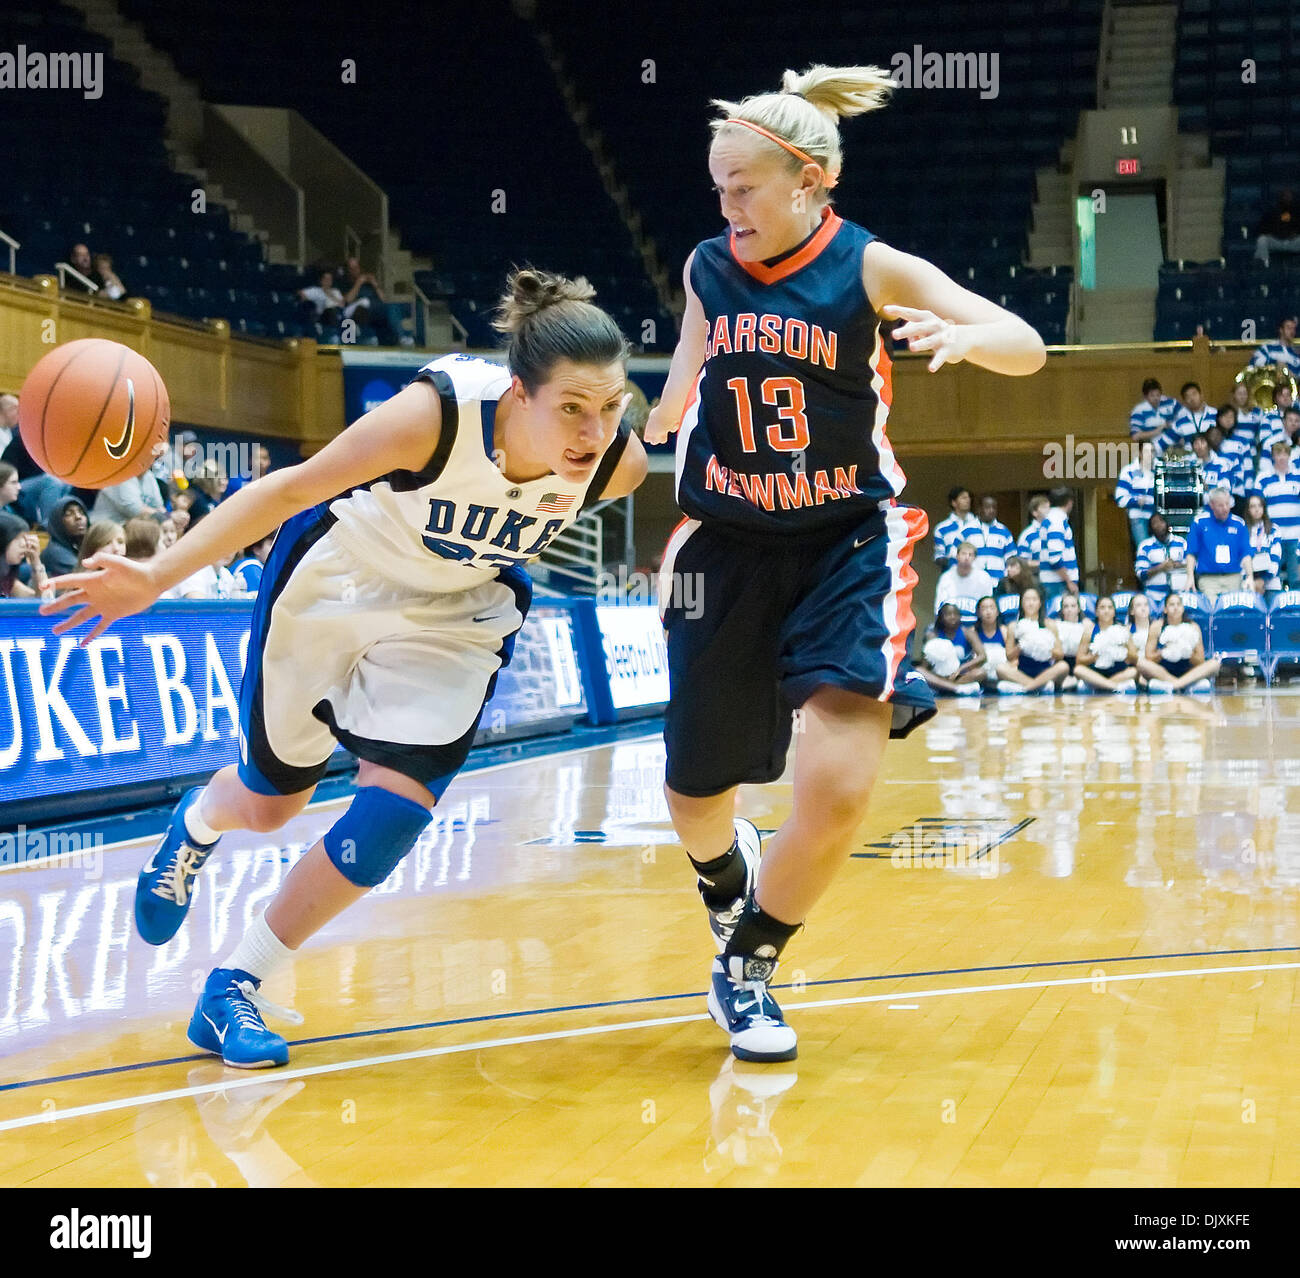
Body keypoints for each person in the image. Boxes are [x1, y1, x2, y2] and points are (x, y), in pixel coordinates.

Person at [43, 267, 647, 1068]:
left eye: (611, 409)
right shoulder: (432, 418)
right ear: (517, 393)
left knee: (394, 814)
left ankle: (236, 985)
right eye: (571, 409)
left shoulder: (619, 466)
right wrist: (158, 575)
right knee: (271, 806)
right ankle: (196, 824)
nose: (593, 432)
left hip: (454, 612)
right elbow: (285, 490)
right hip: (341, 576)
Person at [643, 62, 1045, 1062]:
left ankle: (749, 963)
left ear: (810, 182)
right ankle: (723, 880)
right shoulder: (705, 268)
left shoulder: (868, 266)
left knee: (838, 779)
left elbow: (1026, 343)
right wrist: (621, 440)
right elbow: (679, 387)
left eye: (743, 186)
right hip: (723, 543)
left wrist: (966, 335)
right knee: (694, 794)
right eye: (716, 187)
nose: (725, 204)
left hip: (845, 545)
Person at [1138, 592, 1220, 692]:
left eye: (1178, 604)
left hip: (1188, 671)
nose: (1176, 608)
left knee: (1214, 663)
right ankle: (1178, 684)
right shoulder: (1156, 626)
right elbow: (1149, 657)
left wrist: (1186, 652)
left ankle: (1177, 684)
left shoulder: (1193, 627)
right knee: (1141, 663)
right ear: (1165, 609)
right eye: (1172, 605)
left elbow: (1200, 660)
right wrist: (1165, 652)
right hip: (1163, 671)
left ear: (1182, 608)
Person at [1183, 486, 1251, 599]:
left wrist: (1250, 576)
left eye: (1227, 504)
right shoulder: (1199, 522)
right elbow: (1191, 553)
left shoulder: (1239, 524)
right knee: (1211, 611)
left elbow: (1246, 553)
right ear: (1212, 505)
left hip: (1233, 577)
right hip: (1208, 578)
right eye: (1220, 505)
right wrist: (1190, 577)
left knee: (1231, 611)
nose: (1225, 508)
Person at [996, 585, 1067, 694]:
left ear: (1040, 603)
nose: (1030, 603)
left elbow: (1060, 654)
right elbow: (1009, 656)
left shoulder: (1050, 624)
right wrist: (1022, 646)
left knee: (1063, 666)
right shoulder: (1013, 626)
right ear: (1022, 603)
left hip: (1046, 670)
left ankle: (1028, 688)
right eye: (1027, 600)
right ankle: (1038, 686)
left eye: (1034, 599)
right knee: (1000, 668)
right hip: (1023, 671)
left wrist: (1042, 648)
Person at [1249, 441, 1300, 589]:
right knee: (1271, 576)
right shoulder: (1263, 477)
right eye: (1278, 454)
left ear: (1289, 456)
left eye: (1285, 453)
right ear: (1273, 456)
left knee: (1295, 578)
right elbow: (1256, 504)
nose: (1282, 457)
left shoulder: (1298, 476)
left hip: (1295, 536)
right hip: (1271, 536)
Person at [917, 602, 984, 696]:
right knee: (919, 671)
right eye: (948, 614)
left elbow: (982, 656)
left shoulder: (968, 632)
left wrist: (960, 670)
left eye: (955, 614)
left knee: (980, 673)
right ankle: (956, 688)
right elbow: (925, 663)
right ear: (941, 618)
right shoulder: (933, 635)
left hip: (960, 675)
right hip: (939, 676)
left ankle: (944, 688)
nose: (952, 617)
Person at [1074, 595, 1137, 692]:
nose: (1106, 611)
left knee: (1134, 671)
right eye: (1102, 607)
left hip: (1118, 671)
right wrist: (1094, 656)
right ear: (1096, 612)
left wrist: (1121, 651)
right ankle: (1113, 686)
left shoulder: (1124, 630)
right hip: (1096, 672)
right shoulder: (1089, 632)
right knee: (1078, 670)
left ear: (1114, 612)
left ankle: (1101, 686)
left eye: (1110, 607)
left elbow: (1134, 657)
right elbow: (1079, 660)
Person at [1134, 511, 1190, 612]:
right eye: (1154, 523)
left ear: (1167, 523)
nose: (1159, 525)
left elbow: (1193, 565)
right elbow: (1140, 574)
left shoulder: (1181, 542)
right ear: (1151, 527)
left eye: (1161, 521)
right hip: (1154, 597)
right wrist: (1161, 567)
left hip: (1180, 596)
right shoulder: (1145, 546)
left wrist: (1177, 565)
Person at [1036, 486, 1079, 603]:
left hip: (1055, 581)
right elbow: (1055, 558)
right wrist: (1069, 581)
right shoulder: (1056, 521)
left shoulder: (1051, 519)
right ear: (1069, 502)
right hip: (1058, 583)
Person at [1113, 440, 1156, 551]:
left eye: (1152, 451)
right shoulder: (1129, 471)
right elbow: (1119, 497)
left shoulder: (1159, 471)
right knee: (1144, 550)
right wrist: (1136, 500)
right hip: (1138, 516)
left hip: (1158, 518)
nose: (1150, 454)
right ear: (1140, 453)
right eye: (1147, 451)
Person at [934, 539, 996, 613]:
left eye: (970, 555)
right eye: (963, 554)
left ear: (974, 558)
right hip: (951, 621)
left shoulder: (984, 578)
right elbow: (938, 606)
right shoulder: (946, 577)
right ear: (957, 556)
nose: (967, 557)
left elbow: (987, 607)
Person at [0, 512, 52, 598]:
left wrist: (36, 561)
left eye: (25, 538)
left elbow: (45, 599)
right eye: (19, 538)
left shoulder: (7, 581)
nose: (25, 544)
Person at [39, 496, 90, 578]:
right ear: (58, 522)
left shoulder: (77, 546)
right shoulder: (54, 552)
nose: (78, 517)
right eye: (69, 514)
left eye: (81, 512)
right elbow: (85, 577)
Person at [1244, 493, 1282, 600]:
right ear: (1247, 509)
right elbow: (1241, 557)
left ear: (1264, 508)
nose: (1257, 509)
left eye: (1259, 506)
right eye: (1252, 506)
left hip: (1271, 583)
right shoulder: (1242, 531)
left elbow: (1276, 558)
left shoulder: (1274, 529)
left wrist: (1263, 580)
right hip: (1249, 583)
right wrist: (1251, 580)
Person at [968, 493, 1013, 581]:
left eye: (994, 508)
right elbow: (956, 555)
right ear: (979, 509)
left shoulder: (1004, 531)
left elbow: (1011, 558)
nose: (991, 510)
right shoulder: (967, 530)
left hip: (998, 582)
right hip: (974, 582)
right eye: (987, 507)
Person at [933, 485, 978, 570]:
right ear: (953, 502)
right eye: (963, 498)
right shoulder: (942, 528)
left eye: (968, 497)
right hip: (952, 575)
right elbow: (939, 555)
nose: (968, 500)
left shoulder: (979, 525)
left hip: (976, 575)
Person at [1053, 591, 1092, 688]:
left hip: (1081, 665)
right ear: (1062, 610)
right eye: (1066, 606)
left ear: (1078, 609)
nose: (1069, 609)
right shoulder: (1055, 625)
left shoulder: (1087, 626)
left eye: (1073, 606)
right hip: (1061, 664)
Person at [1254, 191, 1300, 269]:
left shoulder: (1297, 212)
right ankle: (1262, 264)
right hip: (1276, 241)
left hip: (1292, 242)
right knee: (1262, 240)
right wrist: (1271, 233)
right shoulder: (1271, 212)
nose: (1287, 198)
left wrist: (1296, 233)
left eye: (1289, 197)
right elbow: (1261, 228)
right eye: (1285, 196)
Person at [1128, 377, 1179, 445]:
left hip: (1172, 445)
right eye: (1152, 395)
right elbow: (1135, 436)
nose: (1156, 398)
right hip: (1150, 446)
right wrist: (1158, 430)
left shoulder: (1171, 403)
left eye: (1158, 395)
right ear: (1145, 396)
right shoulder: (1138, 411)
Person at [971, 595, 1007, 688]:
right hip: (981, 673)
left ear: (997, 612)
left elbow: (1011, 657)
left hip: (1001, 672)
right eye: (984, 608)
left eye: (992, 608)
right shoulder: (973, 631)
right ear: (978, 613)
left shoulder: (1004, 630)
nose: (988, 612)